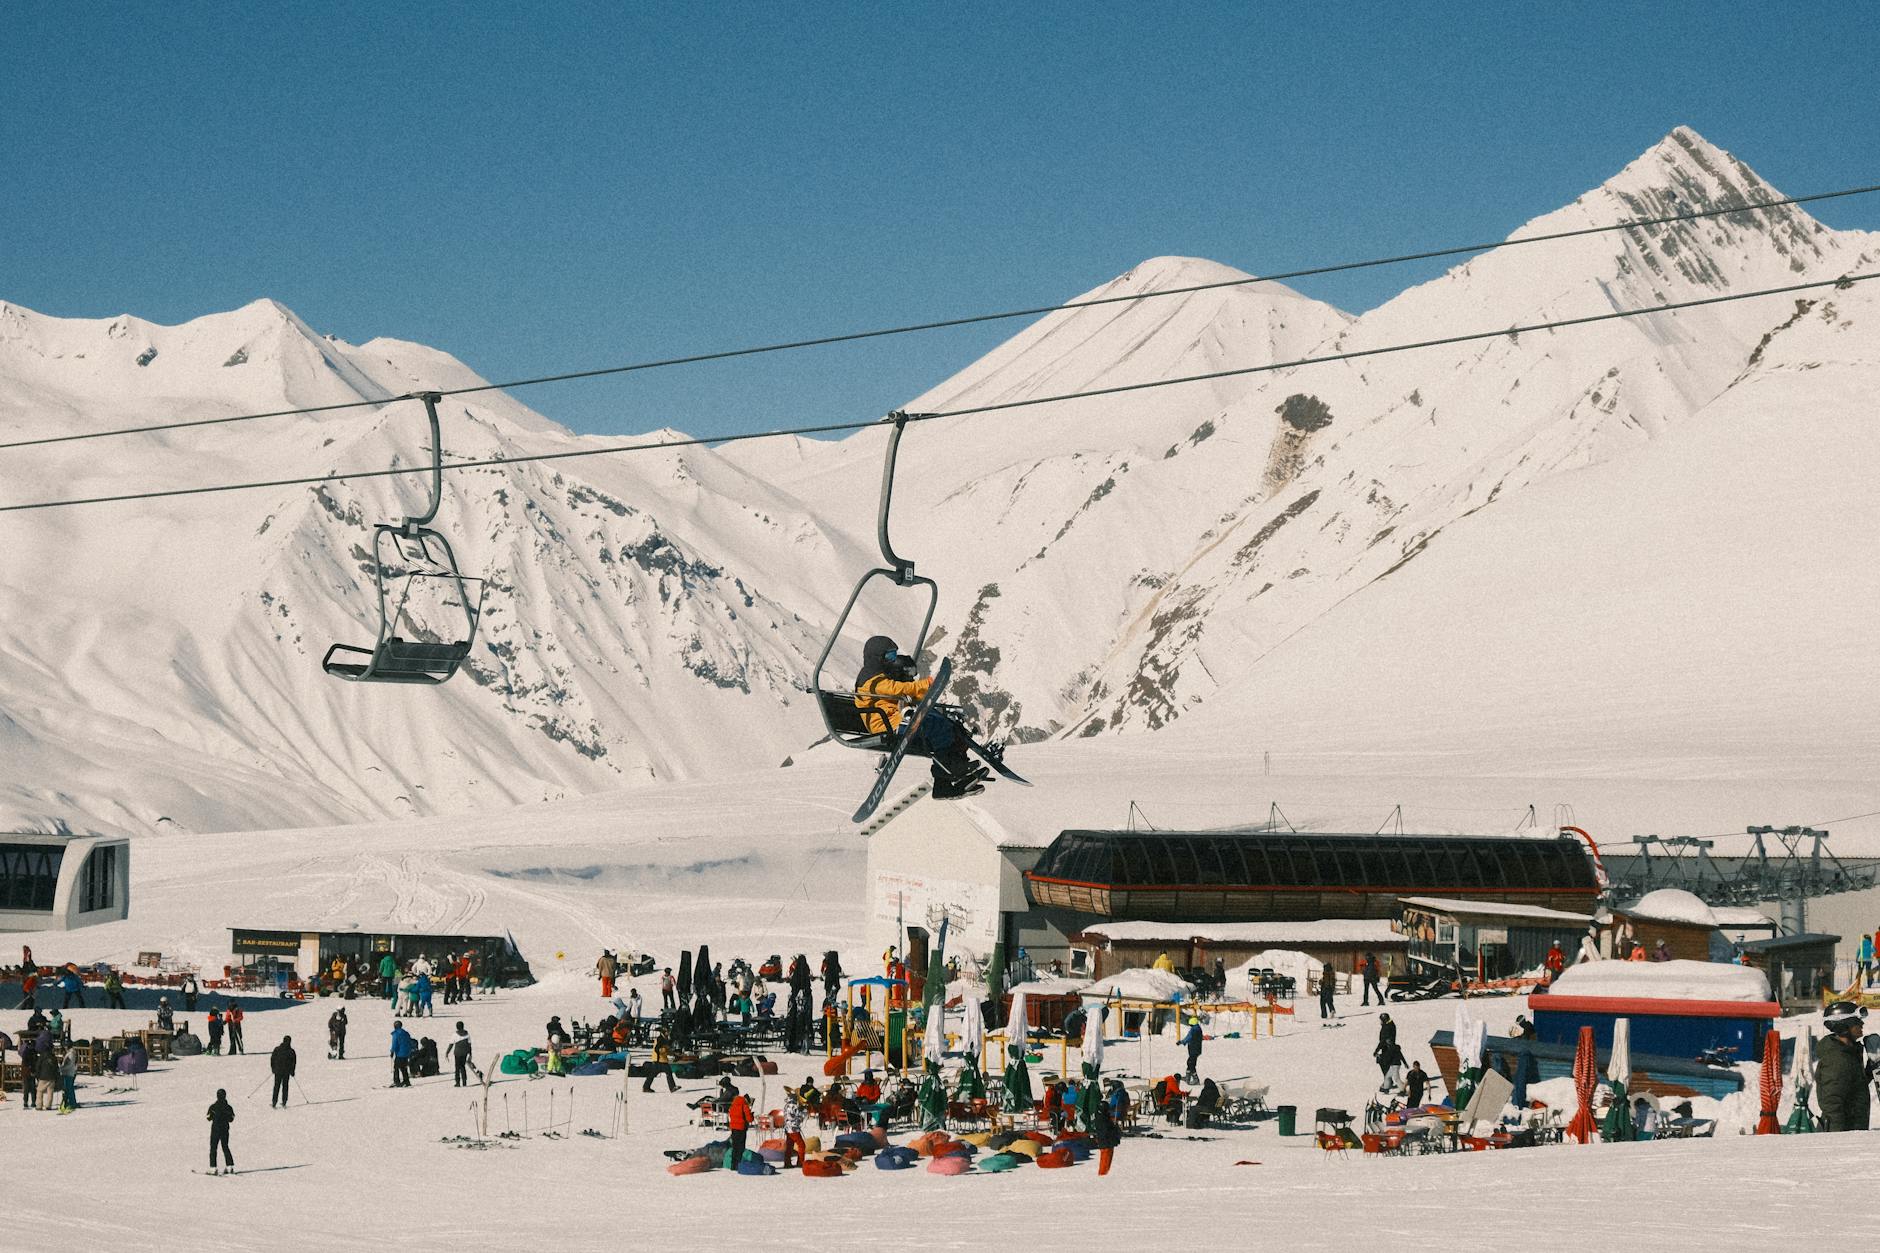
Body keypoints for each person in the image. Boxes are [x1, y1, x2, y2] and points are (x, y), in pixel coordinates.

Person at [852, 635, 986, 797]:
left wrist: (925, 695)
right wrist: (928, 683)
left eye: (894, 655)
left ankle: (946, 780)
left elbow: (906, 694)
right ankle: (951, 768)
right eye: (889, 656)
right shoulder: (870, 679)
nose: (892, 660)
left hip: (897, 721)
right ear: (877, 657)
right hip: (886, 726)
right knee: (934, 725)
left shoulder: (881, 676)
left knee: (948, 725)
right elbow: (897, 689)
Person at [1815, 1001, 1873, 1132]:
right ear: (1843, 1026)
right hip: (1843, 1134)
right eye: (1856, 1022)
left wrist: (1868, 1073)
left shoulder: (1848, 1053)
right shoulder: (1837, 1058)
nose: (1861, 1024)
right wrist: (1839, 1141)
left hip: (1853, 1130)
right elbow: (1832, 1103)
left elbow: (1850, 1086)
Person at [1090, 1081, 1122, 1176]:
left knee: (1107, 1162)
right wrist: (1114, 1130)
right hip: (1106, 1143)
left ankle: (1104, 1174)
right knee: (1105, 1162)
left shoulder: (1102, 1117)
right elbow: (1106, 1131)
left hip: (1106, 1143)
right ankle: (1102, 1176)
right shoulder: (1102, 1120)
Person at [206, 1089, 236, 1174]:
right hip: (225, 1129)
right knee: (225, 1146)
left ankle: (213, 1167)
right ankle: (229, 1166)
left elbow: (208, 1117)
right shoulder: (228, 1107)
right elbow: (231, 1118)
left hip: (215, 1129)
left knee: (213, 1148)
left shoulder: (213, 1106)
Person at [725, 1082, 753, 1167]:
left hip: (733, 1128)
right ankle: (739, 1164)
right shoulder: (744, 1106)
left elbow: (731, 1115)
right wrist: (751, 1115)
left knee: (735, 1147)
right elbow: (749, 1119)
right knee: (741, 1147)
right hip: (741, 1128)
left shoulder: (733, 1105)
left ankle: (733, 1164)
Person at [782, 1084, 807, 1168]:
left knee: (789, 1146)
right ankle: (800, 1162)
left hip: (788, 1128)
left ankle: (787, 1162)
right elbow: (798, 1116)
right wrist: (803, 1111)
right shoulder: (793, 1106)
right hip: (794, 1129)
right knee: (802, 1145)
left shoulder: (787, 1105)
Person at [269, 1035, 296, 1108]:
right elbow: (293, 1062)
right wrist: (292, 1071)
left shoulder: (277, 1049)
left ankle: (274, 1102)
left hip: (278, 1071)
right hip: (286, 1072)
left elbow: (272, 1059)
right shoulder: (291, 1051)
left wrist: (273, 1068)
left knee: (276, 1087)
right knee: (285, 1086)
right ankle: (284, 1101)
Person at [389, 1020, 415, 1088]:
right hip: (406, 1053)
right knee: (404, 1067)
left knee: (396, 1067)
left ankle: (396, 1081)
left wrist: (392, 1051)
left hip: (400, 1053)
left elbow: (395, 1044)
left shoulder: (396, 1034)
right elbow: (410, 1042)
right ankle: (406, 1081)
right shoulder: (406, 1033)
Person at [450, 1022, 476, 1087]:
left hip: (457, 1053)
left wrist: (447, 1052)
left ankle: (457, 1082)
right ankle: (464, 1082)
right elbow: (469, 1045)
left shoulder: (455, 1035)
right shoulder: (467, 1034)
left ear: (456, 1027)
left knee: (457, 1068)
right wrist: (470, 1053)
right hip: (465, 1053)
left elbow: (451, 1044)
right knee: (463, 1067)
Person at [1181, 1017, 1204, 1082]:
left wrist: (1182, 1042)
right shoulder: (1198, 1029)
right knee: (1190, 1062)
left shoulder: (1194, 1030)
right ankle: (1187, 1077)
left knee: (1191, 1063)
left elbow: (1189, 1037)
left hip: (1194, 1049)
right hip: (1197, 1049)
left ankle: (1195, 1079)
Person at [58, 1046, 79, 1112]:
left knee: (69, 1088)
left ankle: (72, 1103)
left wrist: (61, 1068)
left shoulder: (71, 1054)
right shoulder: (69, 1053)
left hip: (69, 1073)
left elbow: (69, 1064)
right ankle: (67, 1102)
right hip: (67, 1072)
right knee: (67, 1089)